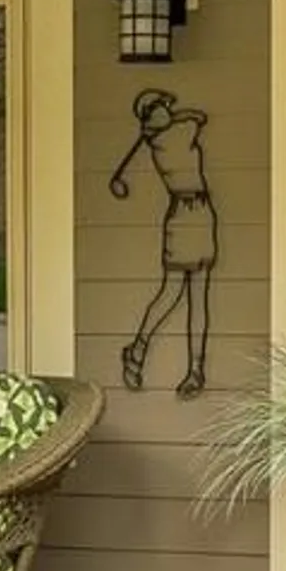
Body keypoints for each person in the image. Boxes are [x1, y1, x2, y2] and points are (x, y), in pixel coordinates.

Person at [106, 88, 216, 397]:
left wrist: (157, 123)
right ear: (152, 114)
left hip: (203, 214)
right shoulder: (171, 137)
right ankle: (137, 349)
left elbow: (192, 117)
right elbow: (197, 118)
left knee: (199, 298)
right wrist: (168, 121)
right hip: (183, 215)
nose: (168, 108)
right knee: (171, 292)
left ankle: (195, 369)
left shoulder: (162, 133)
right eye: (163, 106)